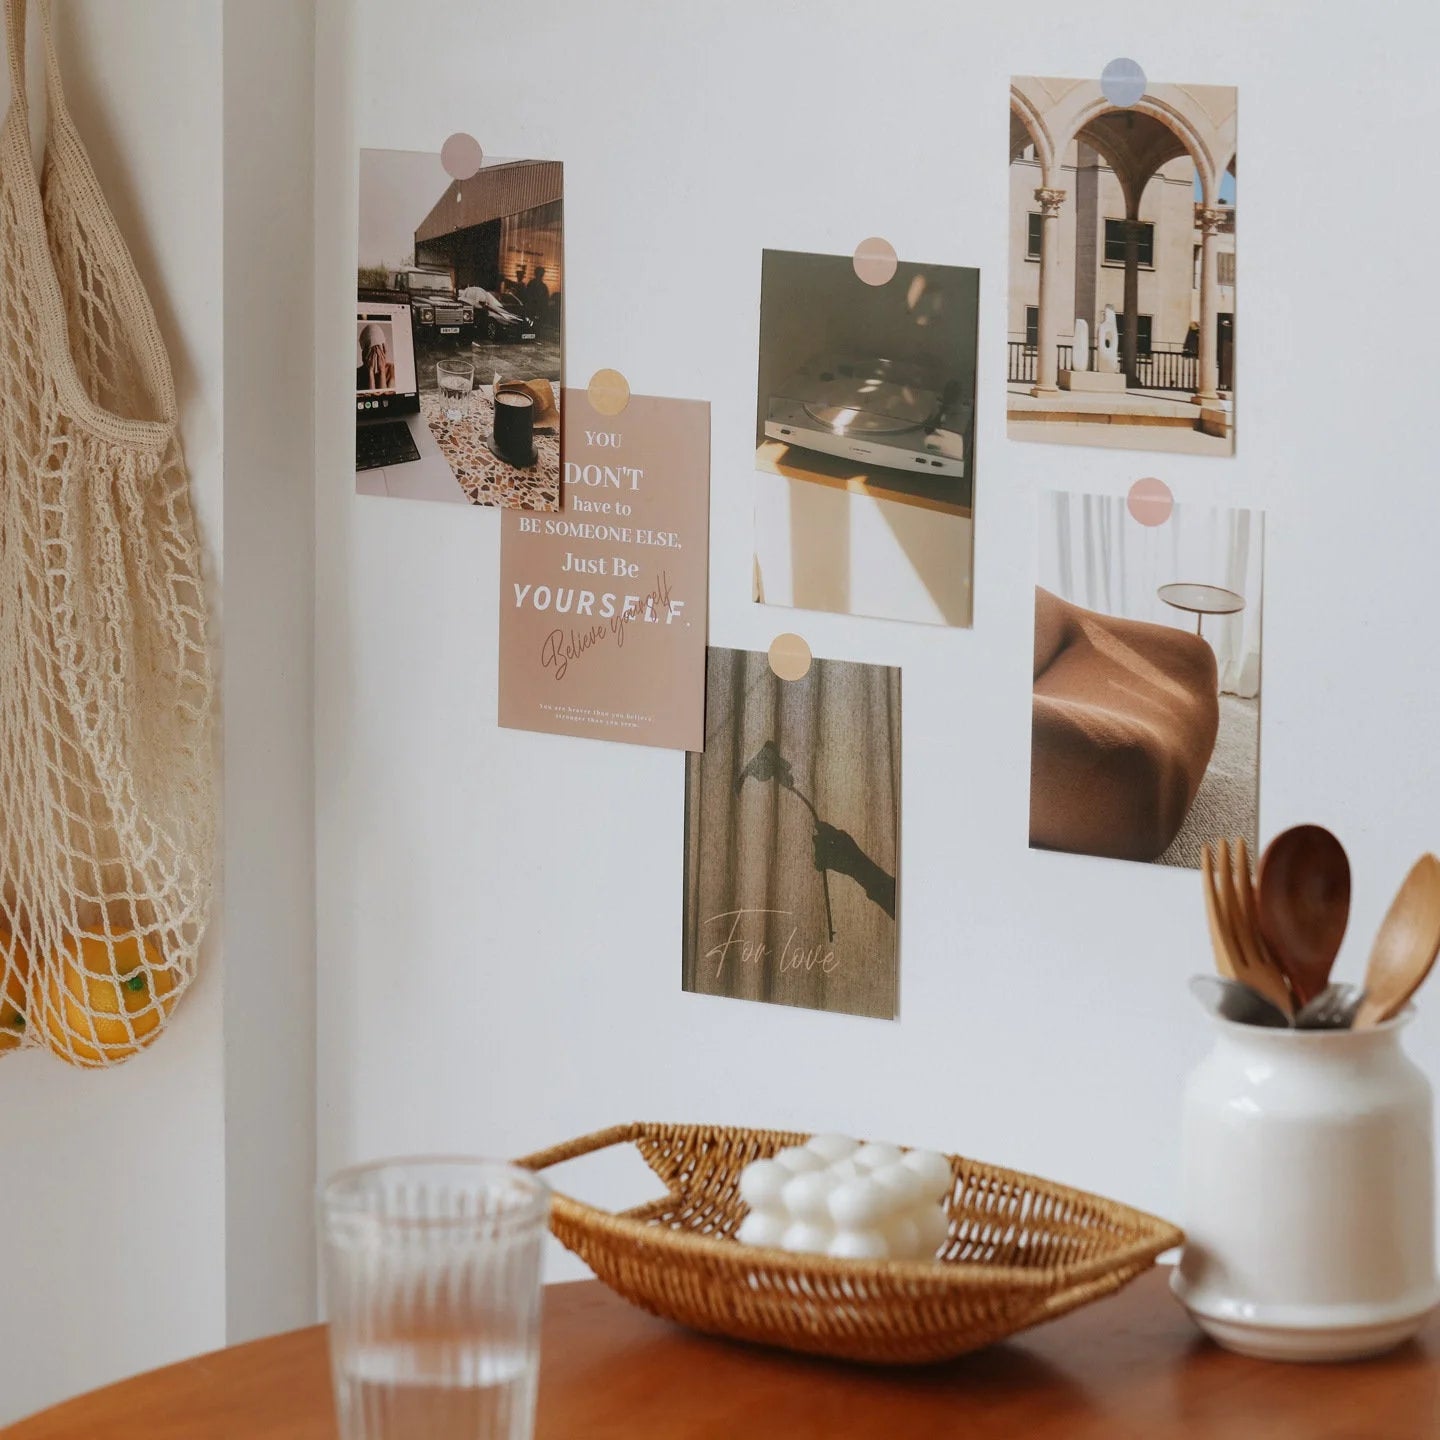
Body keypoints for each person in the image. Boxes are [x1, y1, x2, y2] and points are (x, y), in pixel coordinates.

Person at [356, 322, 394, 392]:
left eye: (379, 348)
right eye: (371, 350)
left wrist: (382, 371)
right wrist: (370, 372)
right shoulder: (357, 374)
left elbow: (384, 398)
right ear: (364, 353)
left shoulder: (392, 371)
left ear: (384, 349)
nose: (376, 354)